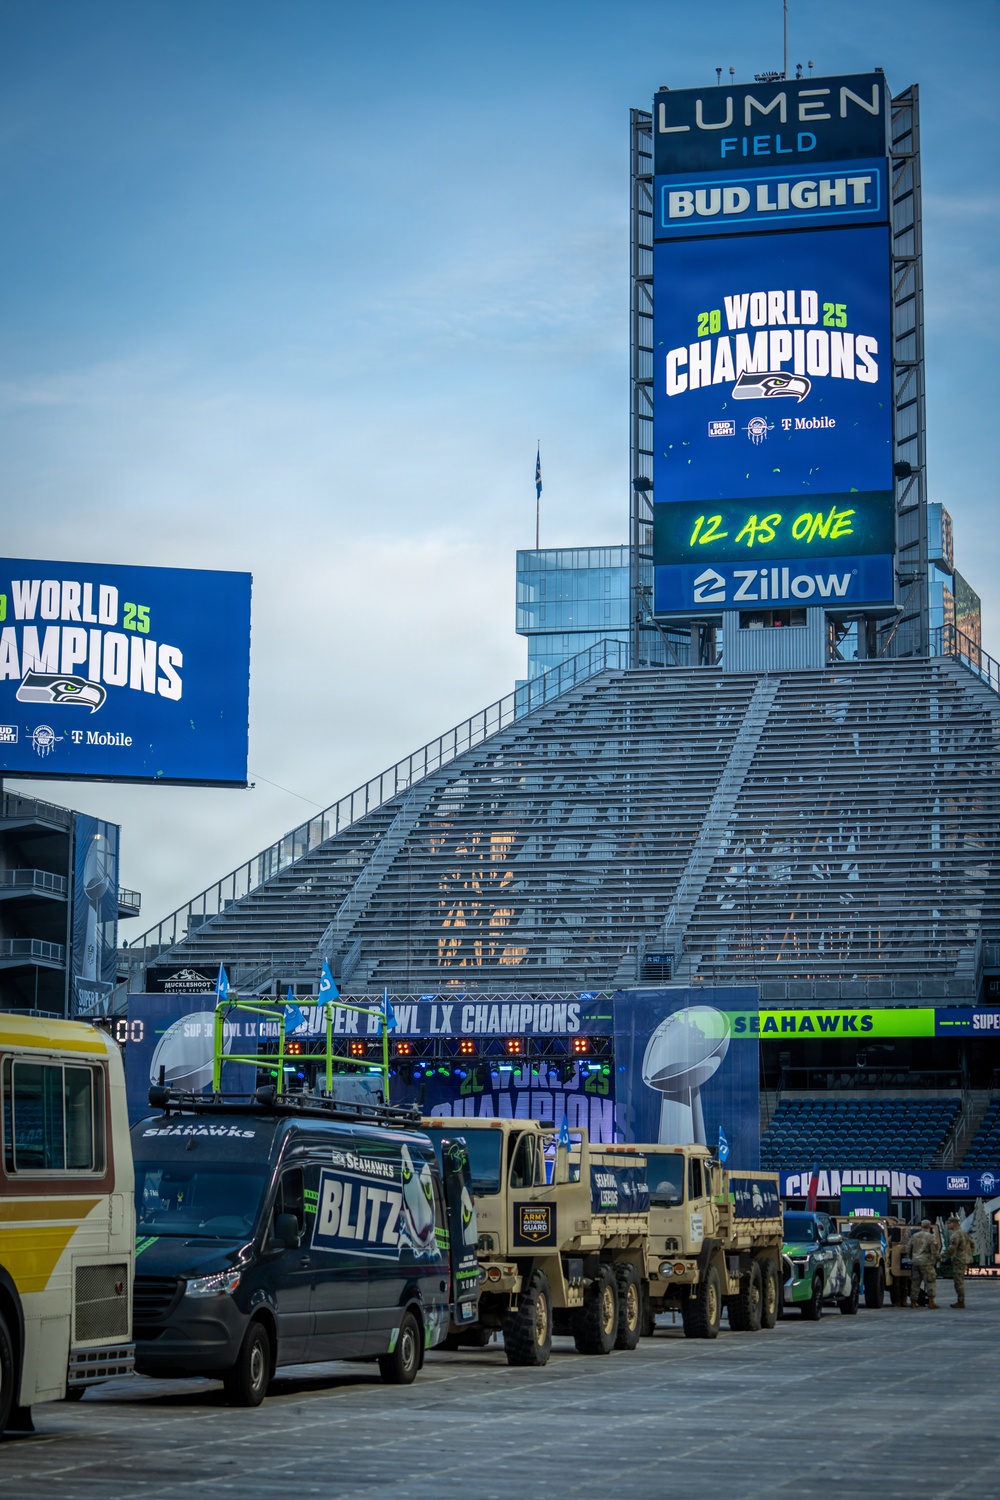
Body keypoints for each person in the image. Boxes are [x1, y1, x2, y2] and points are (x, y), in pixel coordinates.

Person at [908, 1219, 940, 1308]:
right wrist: (938, 1259)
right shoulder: (931, 1237)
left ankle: (913, 1302)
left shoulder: (914, 1236)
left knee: (915, 1282)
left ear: (921, 1227)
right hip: (926, 1262)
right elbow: (934, 1251)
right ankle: (931, 1301)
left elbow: (908, 1249)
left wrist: (913, 1257)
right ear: (929, 1227)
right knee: (930, 1281)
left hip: (915, 1262)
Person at [946, 1215, 975, 1309]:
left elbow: (952, 1249)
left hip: (959, 1260)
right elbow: (972, 1244)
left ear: (954, 1224)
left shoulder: (955, 1235)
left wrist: (942, 1256)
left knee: (958, 1281)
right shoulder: (963, 1233)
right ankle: (960, 1300)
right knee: (960, 1280)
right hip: (964, 1259)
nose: (948, 1225)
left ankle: (961, 1301)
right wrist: (969, 1254)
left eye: (949, 1223)